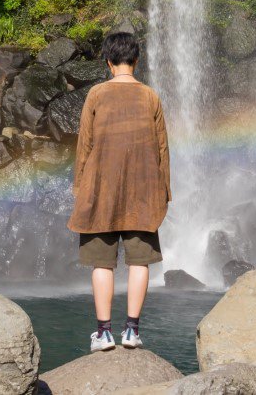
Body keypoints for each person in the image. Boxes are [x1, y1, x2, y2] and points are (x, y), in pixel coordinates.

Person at [67, 30, 171, 353]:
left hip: (101, 191)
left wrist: (80, 188)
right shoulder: (151, 96)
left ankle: (104, 333)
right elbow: (162, 150)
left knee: (102, 263)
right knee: (141, 261)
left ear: (109, 62)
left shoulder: (96, 95)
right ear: (135, 61)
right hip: (143, 192)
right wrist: (164, 192)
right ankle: (132, 331)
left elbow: (84, 146)